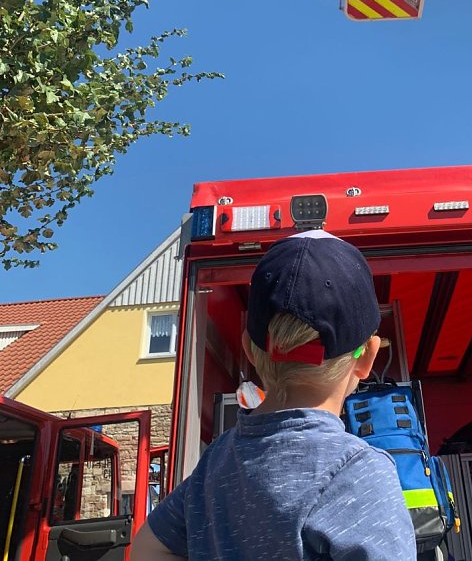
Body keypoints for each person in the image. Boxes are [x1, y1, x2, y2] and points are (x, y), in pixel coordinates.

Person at [131, 229, 416, 561]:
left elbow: (147, 547)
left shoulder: (217, 459)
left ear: (249, 351)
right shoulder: (355, 470)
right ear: (367, 356)